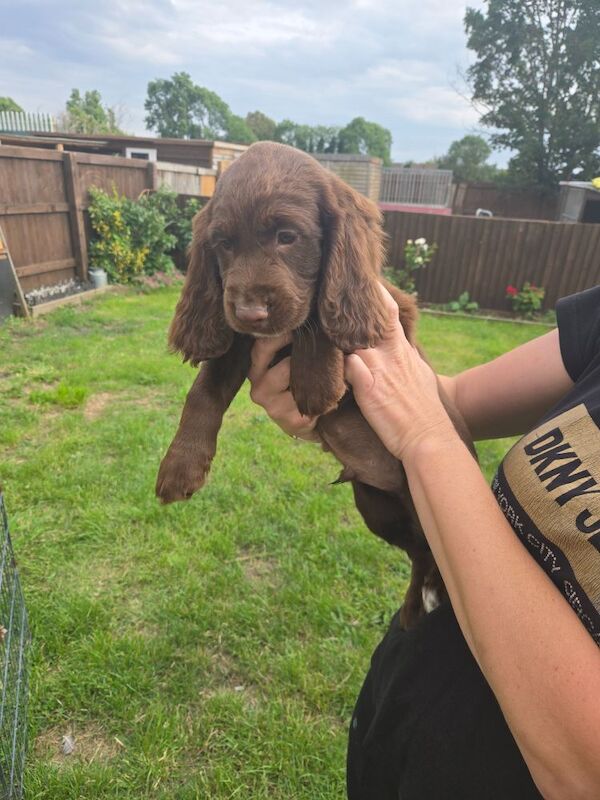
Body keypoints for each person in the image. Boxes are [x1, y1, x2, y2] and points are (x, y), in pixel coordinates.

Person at [247, 284, 600, 800]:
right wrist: (343, 397)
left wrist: (423, 436)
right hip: (418, 673)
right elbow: (455, 398)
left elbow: (585, 772)